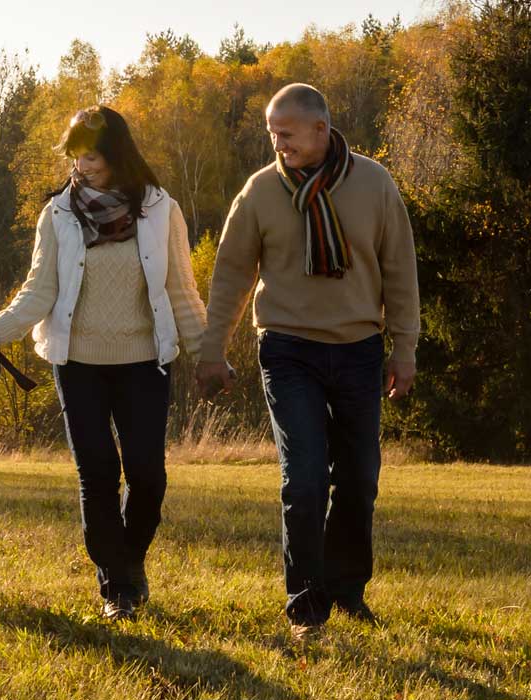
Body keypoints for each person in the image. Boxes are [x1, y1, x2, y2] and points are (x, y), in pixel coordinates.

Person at [0, 105, 206, 621]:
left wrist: (209, 356)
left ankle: (129, 566)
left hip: (145, 361)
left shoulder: (162, 210)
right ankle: (117, 587)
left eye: (91, 154)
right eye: (75, 154)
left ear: (117, 153)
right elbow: (39, 292)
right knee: (97, 471)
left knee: (148, 476)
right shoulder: (59, 214)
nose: (82, 164)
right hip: (79, 363)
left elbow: (182, 291)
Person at [196, 84, 420, 642]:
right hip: (288, 348)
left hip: (359, 350)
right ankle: (304, 602)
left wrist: (405, 349)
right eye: (273, 134)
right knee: (303, 480)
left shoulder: (375, 184)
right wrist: (211, 350)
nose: (278, 144)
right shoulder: (259, 192)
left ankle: (347, 591)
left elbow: (400, 272)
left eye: (287, 134)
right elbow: (230, 277)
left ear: (321, 130)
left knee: (359, 478)